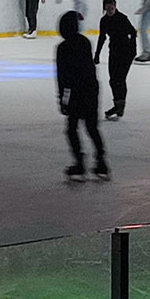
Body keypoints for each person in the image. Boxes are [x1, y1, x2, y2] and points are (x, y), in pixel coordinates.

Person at [56, 11, 108, 181]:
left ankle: (79, 163)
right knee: (92, 127)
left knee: (72, 129)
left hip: (77, 93)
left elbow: (62, 77)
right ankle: (101, 163)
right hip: (91, 90)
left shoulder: (63, 48)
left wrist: (62, 100)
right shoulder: (85, 43)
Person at [94, 0, 137, 120]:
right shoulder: (104, 21)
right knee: (113, 81)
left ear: (115, 6)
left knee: (120, 79)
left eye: (112, 7)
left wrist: (133, 50)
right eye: (107, 8)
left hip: (126, 52)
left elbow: (132, 32)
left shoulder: (122, 18)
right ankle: (118, 104)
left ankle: (120, 106)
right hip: (113, 52)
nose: (110, 10)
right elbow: (102, 37)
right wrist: (97, 54)